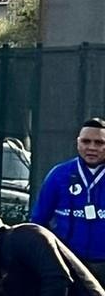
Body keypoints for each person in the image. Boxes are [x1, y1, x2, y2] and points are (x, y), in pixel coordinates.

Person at [30, 118, 105, 282]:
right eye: (86, 141)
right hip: (68, 262)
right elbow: (38, 221)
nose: (91, 147)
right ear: (78, 143)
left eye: (99, 143)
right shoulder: (59, 175)